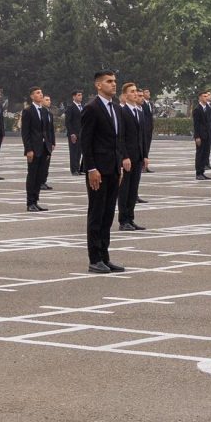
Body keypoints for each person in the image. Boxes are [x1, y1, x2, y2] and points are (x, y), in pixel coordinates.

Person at [80, 70, 126, 275]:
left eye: (114, 81)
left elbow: (118, 140)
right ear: (98, 85)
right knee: (96, 214)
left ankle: (105, 256)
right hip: (98, 169)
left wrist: (119, 165)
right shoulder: (91, 108)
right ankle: (95, 258)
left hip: (113, 168)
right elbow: (86, 141)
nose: (113, 84)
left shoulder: (116, 108)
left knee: (108, 214)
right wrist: (91, 168)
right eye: (109, 81)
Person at [116, 82, 151, 229]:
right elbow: (120, 137)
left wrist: (145, 155)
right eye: (132, 91)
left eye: (136, 91)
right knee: (124, 190)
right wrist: (124, 157)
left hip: (138, 156)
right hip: (127, 157)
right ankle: (123, 220)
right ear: (125, 95)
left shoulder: (139, 111)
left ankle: (130, 218)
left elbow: (142, 136)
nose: (135, 94)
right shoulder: (122, 112)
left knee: (133, 189)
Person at [21, 87, 54, 210]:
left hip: (44, 148)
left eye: (41, 93)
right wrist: (28, 149)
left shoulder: (45, 111)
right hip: (34, 148)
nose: (40, 95)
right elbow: (25, 132)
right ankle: (30, 203)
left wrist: (49, 145)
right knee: (32, 175)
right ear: (32, 96)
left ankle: (36, 201)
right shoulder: (28, 111)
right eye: (37, 93)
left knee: (40, 176)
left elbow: (47, 130)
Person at [193, 90, 211, 178]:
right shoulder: (197, 109)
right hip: (201, 136)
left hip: (208, 135)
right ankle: (198, 173)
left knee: (205, 154)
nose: (206, 98)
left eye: (207, 96)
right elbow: (196, 124)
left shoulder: (209, 108)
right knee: (200, 154)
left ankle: (202, 172)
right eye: (204, 96)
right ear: (200, 97)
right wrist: (197, 136)